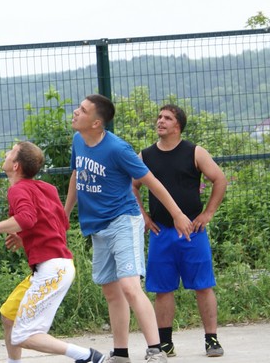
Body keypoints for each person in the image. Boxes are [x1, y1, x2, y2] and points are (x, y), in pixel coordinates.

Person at [64, 95, 194, 363]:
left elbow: (152, 182)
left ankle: (156, 350)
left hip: (123, 220)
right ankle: (121, 353)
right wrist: (63, 215)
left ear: (97, 122)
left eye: (83, 110)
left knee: (129, 285)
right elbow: (77, 175)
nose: (76, 112)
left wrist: (178, 214)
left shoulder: (117, 149)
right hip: (97, 227)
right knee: (111, 291)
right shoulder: (79, 141)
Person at [0, 142, 106, 363]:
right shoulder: (46, 188)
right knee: (9, 316)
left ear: (16, 166)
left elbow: (26, 218)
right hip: (53, 267)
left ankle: (86, 356)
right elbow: (57, 223)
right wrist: (22, 235)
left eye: (11, 152)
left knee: (23, 335)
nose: (6, 153)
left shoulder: (17, 189)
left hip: (52, 271)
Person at [135, 105, 228, 358]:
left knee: (203, 286)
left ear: (178, 125)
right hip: (160, 233)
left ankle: (212, 340)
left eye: (167, 118)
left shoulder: (194, 152)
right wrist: (143, 216)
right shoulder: (145, 156)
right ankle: (165, 343)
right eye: (159, 117)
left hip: (193, 233)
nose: (160, 121)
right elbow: (132, 186)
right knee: (162, 289)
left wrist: (207, 214)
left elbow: (219, 179)